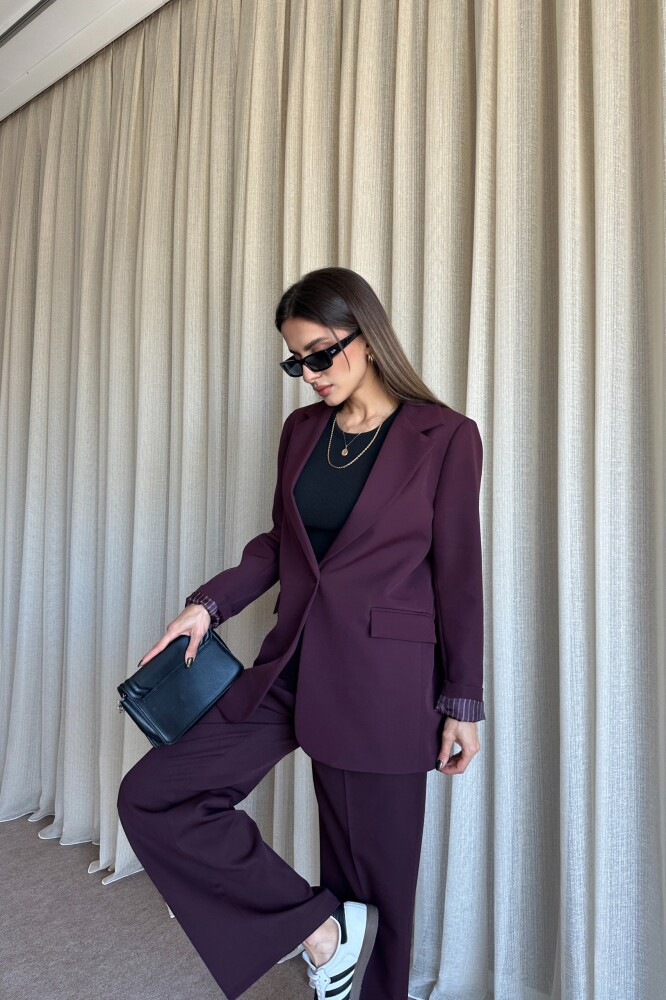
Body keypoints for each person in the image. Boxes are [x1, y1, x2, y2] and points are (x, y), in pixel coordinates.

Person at [117, 266, 485, 1000]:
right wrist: (209, 605)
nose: (310, 375)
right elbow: (281, 544)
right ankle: (319, 930)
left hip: (383, 680)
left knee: (373, 882)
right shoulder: (303, 432)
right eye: (297, 362)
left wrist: (463, 701)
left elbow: (458, 574)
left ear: (367, 338)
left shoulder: (443, 436)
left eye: (320, 354)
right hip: (289, 661)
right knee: (155, 795)